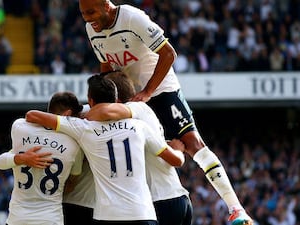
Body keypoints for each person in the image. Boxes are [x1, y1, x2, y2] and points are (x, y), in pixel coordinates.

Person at [78, 1, 253, 225]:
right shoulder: (92, 28)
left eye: (90, 12)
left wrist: (149, 91)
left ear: (105, 6)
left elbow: (169, 54)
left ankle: (236, 209)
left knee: (192, 143)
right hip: (130, 97)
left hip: (160, 90)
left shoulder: (132, 18)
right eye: (83, 14)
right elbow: (106, 65)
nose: (87, 18)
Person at [25, 74, 186, 225]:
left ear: (90, 101)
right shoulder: (139, 125)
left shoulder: (84, 128)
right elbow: (176, 160)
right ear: (116, 99)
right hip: (142, 212)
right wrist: (179, 150)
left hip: (107, 214)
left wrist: (70, 119)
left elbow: (32, 115)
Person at [85, 71, 192, 225]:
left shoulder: (136, 108)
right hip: (175, 197)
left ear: (117, 99)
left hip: (161, 200)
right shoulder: (141, 113)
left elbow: (102, 111)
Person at [0, 91, 85, 225]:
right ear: (67, 115)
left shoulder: (20, 127)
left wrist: (22, 159)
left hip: (18, 218)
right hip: (50, 218)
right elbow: (72, 181)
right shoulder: (74, 143)